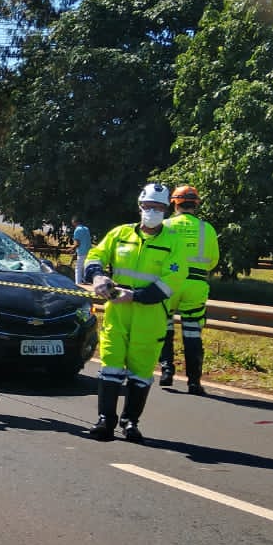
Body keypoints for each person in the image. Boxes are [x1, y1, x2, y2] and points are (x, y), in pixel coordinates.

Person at [82, 183, 188, 443]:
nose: (152, 211)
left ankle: (131, 422)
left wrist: (137, 296)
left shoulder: (174, 242)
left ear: (166, 210)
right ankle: (105, 420)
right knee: (111, 366)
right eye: (148, 206)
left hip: (150, 313)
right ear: (140, 207)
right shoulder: (120, 234)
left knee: (141, 372)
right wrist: (97, 277)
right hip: (118, 310)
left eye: (158, 207)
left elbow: (172, 281)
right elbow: (95, 255)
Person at [158, 186, 219, 395]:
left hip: (169, 284)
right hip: (196, 285)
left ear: (174, 203)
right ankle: (194, 382)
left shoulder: (165, 226)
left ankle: (166, 370)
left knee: (164, 328)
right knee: (193, 333)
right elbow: (213, 261)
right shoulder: (207, 229)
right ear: (196, 204)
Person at [70, 217, 91, 282]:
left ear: (75, 222)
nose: (72, 224)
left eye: (73, 222)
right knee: (85, 268)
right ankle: (85, 282)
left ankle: (78, 284)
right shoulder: (86, 229)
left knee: (78, 269)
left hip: (81, 252)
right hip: (88, 251)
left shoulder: (77, 230)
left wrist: (71, 249)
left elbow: (77, 243)